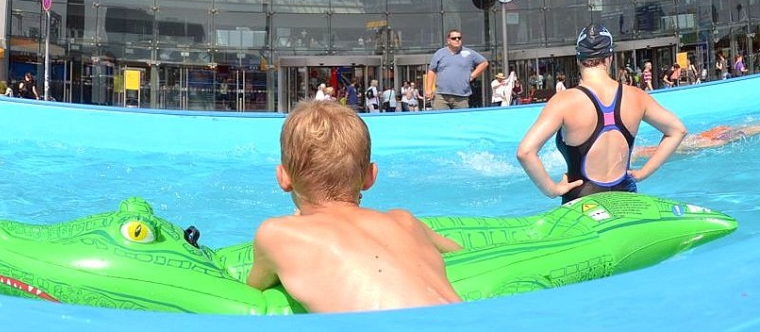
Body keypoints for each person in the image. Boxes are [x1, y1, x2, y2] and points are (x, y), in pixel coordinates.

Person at [246, 100, 463, 313]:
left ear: (283, 177)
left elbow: (251, 292)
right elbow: (459, 252)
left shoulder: (277, 235)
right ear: (371, 176)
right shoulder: (405, 220)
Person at [516, 24, 687, 204]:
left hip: (582, 202)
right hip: (626, 198)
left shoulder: (564, 101)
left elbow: (525, 152)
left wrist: (552, 190)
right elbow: (677, 130)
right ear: (609, 58)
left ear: (578, 59)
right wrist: (644, 172)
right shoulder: (636, 96)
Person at [424, 29, 488, 110]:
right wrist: (429, 89)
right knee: (440, 120)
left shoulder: (469, 53)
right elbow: (432, 71)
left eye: (459, 38)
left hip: (462, 97)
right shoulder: (439, 53)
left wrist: (472, 76)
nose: (457, 40)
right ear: (448, 40)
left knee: (461, 121)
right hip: (441, 96)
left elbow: (484, 63)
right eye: (454, 38)